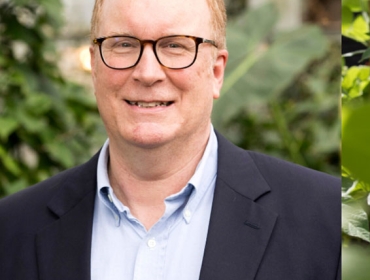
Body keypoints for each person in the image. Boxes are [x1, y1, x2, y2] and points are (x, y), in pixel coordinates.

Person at [0, 0, 339, 279]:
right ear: (95, 65)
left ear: (216, 72)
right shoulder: (12, 229)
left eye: (175, 46)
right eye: (123, 44)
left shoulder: (326, 221)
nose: (147, 73)